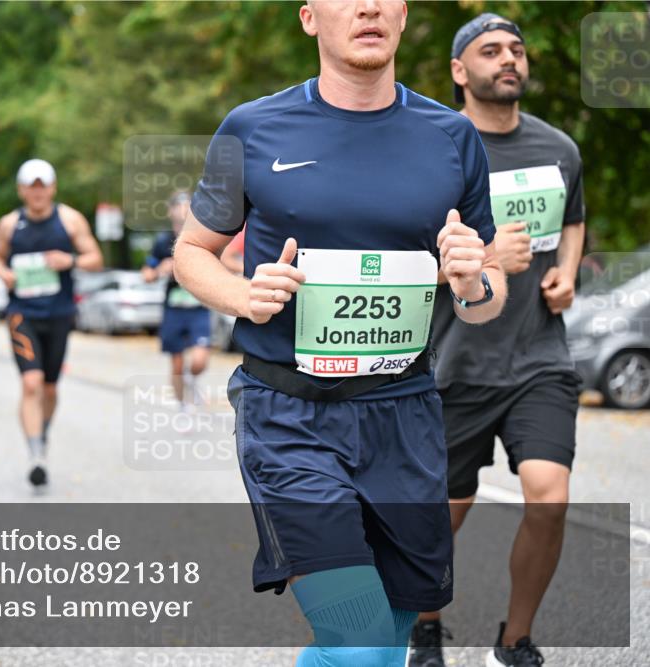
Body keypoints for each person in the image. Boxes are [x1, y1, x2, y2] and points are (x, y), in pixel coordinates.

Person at [171, 2, 508, 665]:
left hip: (405, 416)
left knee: (381, 649)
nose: (368, 6)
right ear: (308, 18)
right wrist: (243, 294)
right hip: (289, 417)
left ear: (404, 16)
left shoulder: (451, 136)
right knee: (357, 643)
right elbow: (192, 251)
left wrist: (474, 281)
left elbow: (487, 296)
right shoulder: (254, 128)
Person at [409, 14, 586, 667]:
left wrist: (566, 270)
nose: (508, 59)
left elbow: (572, 219)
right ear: (460, 71)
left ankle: (515, 640)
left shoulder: (560, 148)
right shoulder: (432, 152)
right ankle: (425, 626)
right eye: (490, 50)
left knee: (550, 493)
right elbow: (401, 258)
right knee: (441, 515)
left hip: (539, 356)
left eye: (516, 49)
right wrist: (485, 259)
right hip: (450, 362)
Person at [0, 158, 103, 487]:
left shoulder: (69, 220)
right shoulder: (9, 225)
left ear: (52, 188)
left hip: (59, 314)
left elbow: (95, 259)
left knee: (50, 387)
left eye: (43, 186)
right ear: (21, 190)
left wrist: (70, 260)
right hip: (22, 313)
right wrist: (4, 273)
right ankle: (36, 453)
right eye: (31, 186)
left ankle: (42, 431)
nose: (37, 192)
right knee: (31, 383)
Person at [142, 191, 211, 409]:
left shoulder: (204, 238)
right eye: (179, 206)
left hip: (198, 307)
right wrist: (161, 269)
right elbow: (147, 274)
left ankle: (192, 380)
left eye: (188, 207)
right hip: (174, 309)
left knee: (199, 360)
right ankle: (183, 405)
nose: (183, 211)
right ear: (170, 210)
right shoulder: (163, 241)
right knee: (177, 364)